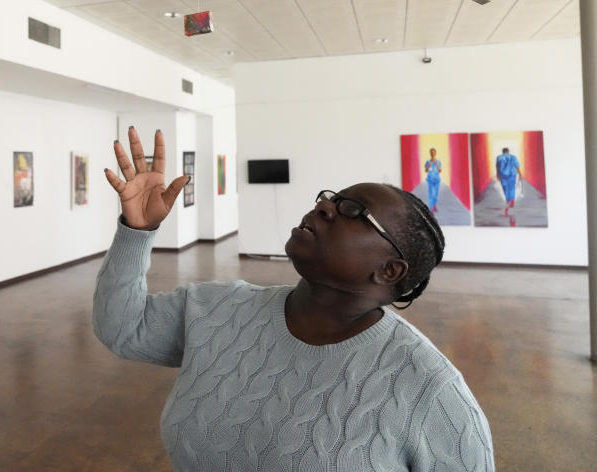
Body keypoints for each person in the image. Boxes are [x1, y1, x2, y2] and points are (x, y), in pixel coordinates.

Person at [94, 127, 494, 472]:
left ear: (389, 270)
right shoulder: (216, 309)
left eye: (352, 210)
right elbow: (124, 328)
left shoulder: (429, 390)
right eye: (330, 198)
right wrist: (136, 231)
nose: (323, 207)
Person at [496, 147, 522, 215]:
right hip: (512, 174)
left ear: (502, 152)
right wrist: (520, 174)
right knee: (512, 187)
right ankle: (512, 199)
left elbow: (497, 167)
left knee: (505, 187)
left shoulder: (499, 157)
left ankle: (508, 200)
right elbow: (517, 166)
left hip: (503, 175)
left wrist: (497, 174)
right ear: (508, 151)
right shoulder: (513, 157)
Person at [424, 147, 442, 213]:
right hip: (430, 180)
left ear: (435, 153)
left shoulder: (439, 161)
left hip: (437, 180)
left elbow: (440, 171)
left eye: (433, 152)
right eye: (431, 153)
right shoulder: (428, 162)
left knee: (436, 194)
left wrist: (436, 164)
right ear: (430, 154)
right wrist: (429, 165)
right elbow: (425, 170)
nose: (432, 154)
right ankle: (431, 208)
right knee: (431, 194)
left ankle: (434, 205)